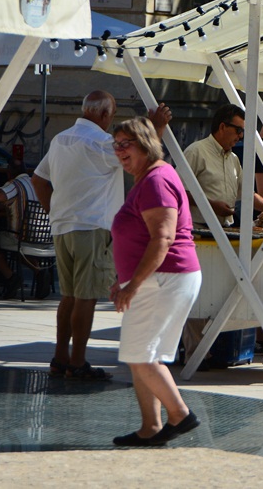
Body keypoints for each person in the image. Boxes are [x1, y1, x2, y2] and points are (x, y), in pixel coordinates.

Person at [33, 90, 171, 380]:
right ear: (105, 115)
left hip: (63, 227)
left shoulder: (61, 139)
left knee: (69, 296)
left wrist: (53, 211)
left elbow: (38, 179)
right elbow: (141, 156)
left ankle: (60, 358)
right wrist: (155, 126)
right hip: (92, 227)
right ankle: (77, 362)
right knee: (86, 297)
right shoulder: (100, 143)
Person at [109, 117, 202, 447]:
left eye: (126, 144)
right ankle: (151, 427)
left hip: (163, 279)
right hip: (162, 279)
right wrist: (128, 280)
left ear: (146, 144)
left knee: (140, 356)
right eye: (116, 144)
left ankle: (179, 414)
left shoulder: (155, 180)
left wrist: (133, 284)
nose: (119, 151)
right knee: (143, 355)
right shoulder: (152, 176)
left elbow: (162, 238)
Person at [182, 104, 263, 228]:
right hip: (197, 230)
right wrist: (211, 206)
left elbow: (248, 194)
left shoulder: (233, 159)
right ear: (223, 127)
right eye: (238, 130)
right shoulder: (196, 151)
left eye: (243, 131)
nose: (241, 136)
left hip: (225, 228)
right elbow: (178, 190)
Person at [0, 159, 39, 299]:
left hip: (21, 235)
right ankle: (39, 270)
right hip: (43, 236)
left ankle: (11, 277)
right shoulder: (37, 183)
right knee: (16, 248)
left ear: (9, 172)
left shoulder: (15, 184)